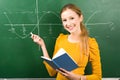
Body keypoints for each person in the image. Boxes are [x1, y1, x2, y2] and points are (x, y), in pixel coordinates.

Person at [31, 3, 102, 80]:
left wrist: (78, 78)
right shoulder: (61, 39)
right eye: (64, 20)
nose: (68, 23)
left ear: (80, 18)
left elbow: (97, 77)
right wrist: (42, 45)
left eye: (72, 18)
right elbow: (52, 72)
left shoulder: (90, 43)